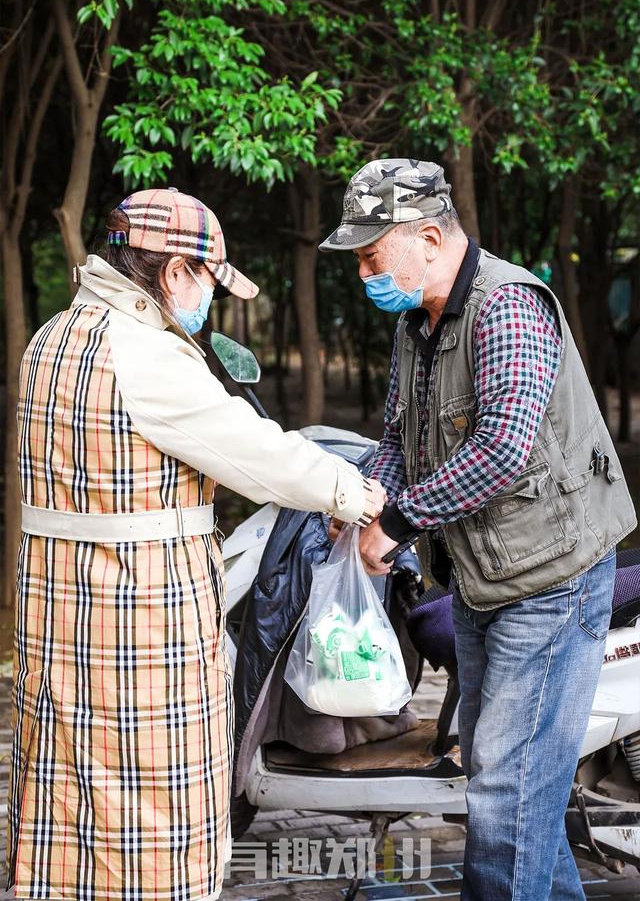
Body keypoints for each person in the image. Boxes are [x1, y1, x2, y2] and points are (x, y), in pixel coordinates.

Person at [6, 187, 386, 901]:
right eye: (211, 279)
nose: (212, 297)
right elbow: (257, 453)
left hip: (59, 614)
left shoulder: (51, 337)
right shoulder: (145, 355)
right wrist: (354, 493)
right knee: (156, 811)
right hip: (140, 616)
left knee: (68, 794)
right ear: (176, 271)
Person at [319, 159, 637, 901]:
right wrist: (362, 500)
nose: (363, 272)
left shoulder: (507, 307)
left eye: (372, 255)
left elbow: (504, 446)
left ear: (429, 237)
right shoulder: (415, 321)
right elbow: (397, 438)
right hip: (480, 573)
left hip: (550, 578)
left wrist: (397, 522)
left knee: (503, 786)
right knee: (516, 790)